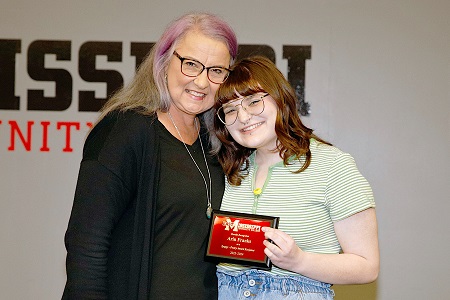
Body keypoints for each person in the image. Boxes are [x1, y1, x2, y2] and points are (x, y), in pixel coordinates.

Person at [62, 12, 237, 299]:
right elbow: (86, 244)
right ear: (165, 61)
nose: (202, 82)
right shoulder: (125, 129)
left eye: (216, 71)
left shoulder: (216, 143)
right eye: (191, 65)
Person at [211, 56, 379, 299]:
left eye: (253, 102)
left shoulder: (332, 165)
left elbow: (367, 266)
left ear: (280, 98)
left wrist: (300, 260)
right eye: (231, 110)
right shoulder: (229, 170)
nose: (244, 117)